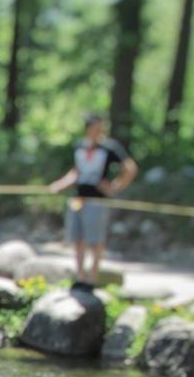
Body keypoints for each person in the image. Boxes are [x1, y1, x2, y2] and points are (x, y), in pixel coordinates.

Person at [48, 112, 138, 288]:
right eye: (96, 127)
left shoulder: (109, 148)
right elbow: (76, 172)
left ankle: (92, 278)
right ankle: (80, 276)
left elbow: (130, 168)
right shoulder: (80, 146)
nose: (100, 130)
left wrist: (115, 187)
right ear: (88, 128)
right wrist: (60, 184)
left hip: (97, 201)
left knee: (95, 240)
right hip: (78, 199)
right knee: (78, 238)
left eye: (102, 127)